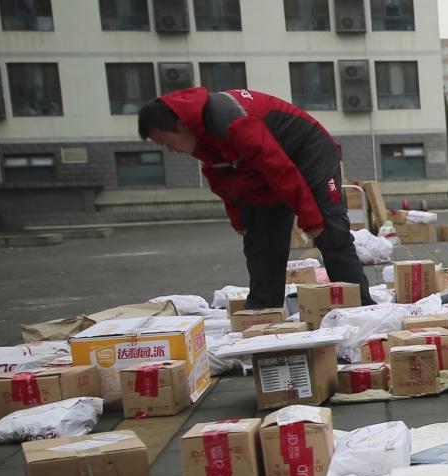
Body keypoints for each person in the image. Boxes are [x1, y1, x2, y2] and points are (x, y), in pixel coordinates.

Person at [137, 86, 370, 311]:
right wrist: (239, 220)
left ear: (181, 125)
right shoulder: (200, 135)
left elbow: (279, 168)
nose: (172, 150)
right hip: (263, 167)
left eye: (168, 143)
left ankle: (360, 307)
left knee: (328, 228)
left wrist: (310, 218)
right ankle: (263, 312)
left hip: (307, 151)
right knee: (260, 238)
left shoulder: (231, 121)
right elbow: (220, 177)